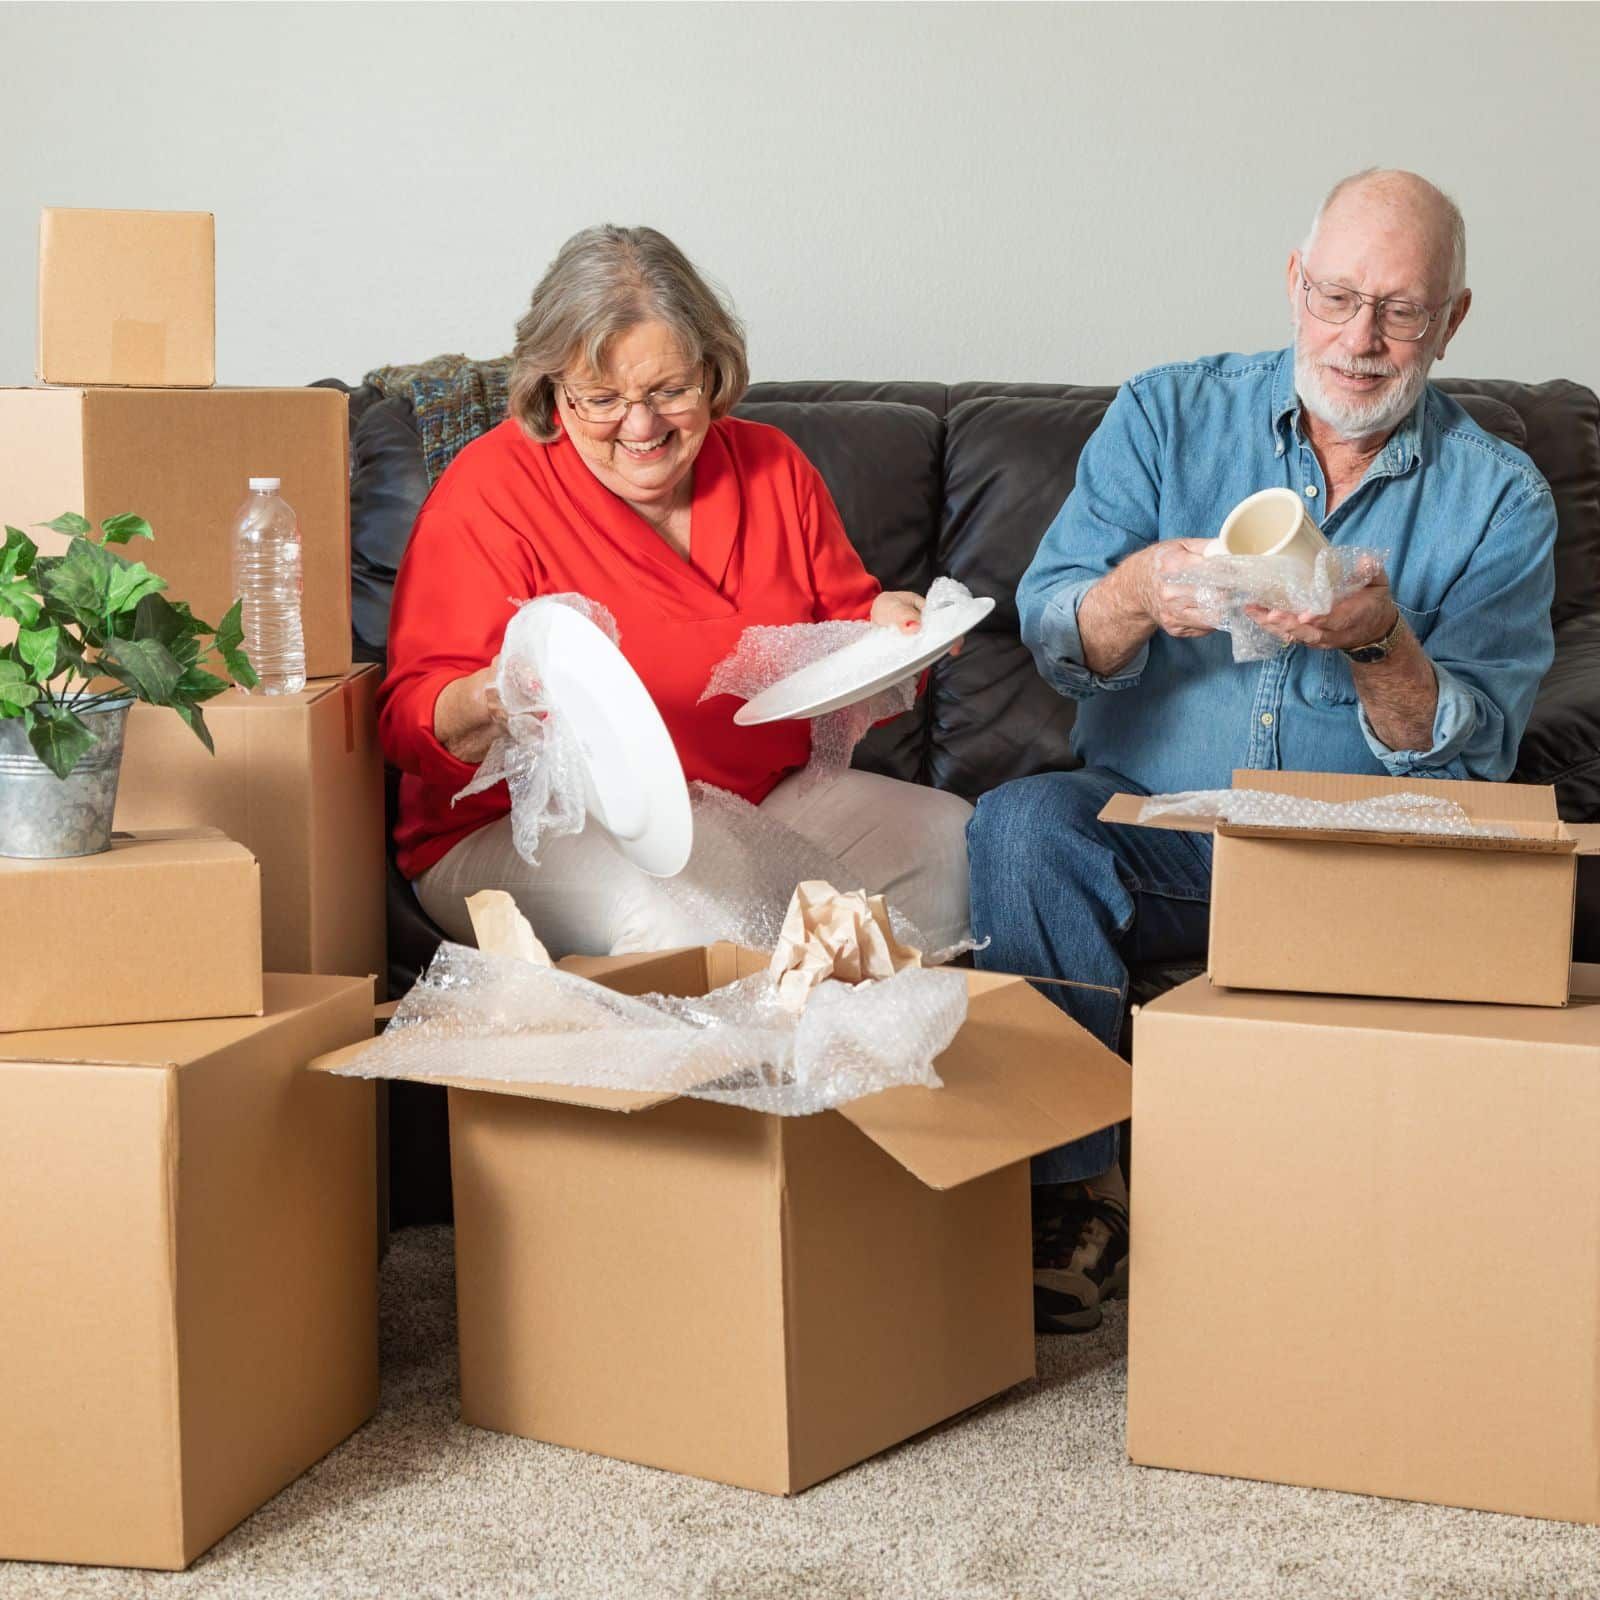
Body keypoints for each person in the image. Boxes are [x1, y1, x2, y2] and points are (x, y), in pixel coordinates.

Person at [968, 169, 1557, 1334]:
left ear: (1452, 319)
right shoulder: (1165, 414)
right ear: (1294, 285)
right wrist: (1135, 592)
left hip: (1356, 852)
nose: (1361, 339)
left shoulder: (1500, 498)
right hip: (1158, 833)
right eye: (1337, 297)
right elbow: (1052, 626)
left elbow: (1471, 769)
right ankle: (1076, 1194)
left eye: (1399, 308)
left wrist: (1380, 642)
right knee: (1022, 824)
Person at [379, 225, 973, 958]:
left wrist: (892, 622)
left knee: (954, 846)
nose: (641, 425)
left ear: (712, 371)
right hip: (531, 830)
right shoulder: (489, 490)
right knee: (678, 920)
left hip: (751, 804)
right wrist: (491, 701)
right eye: (601, 398)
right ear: (549, 388)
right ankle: (756, 1061)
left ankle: (852, 1052)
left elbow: (845, 624)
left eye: (669, 390)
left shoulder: (773, 468)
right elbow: (406, 720)